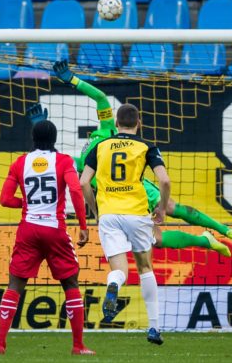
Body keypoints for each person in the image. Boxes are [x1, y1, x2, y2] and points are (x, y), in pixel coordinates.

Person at [50, 59, 232, 254]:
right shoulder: (81, 158)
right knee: (157, 240)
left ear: (117, 124)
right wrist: (41, 128)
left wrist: (73, 80)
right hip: (115, 198)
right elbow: (56, 157)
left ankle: (226, 230)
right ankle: (205, 240)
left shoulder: (108, 130)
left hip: (136, 188)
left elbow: (101, 98)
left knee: (172, 207)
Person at [0, 119, 95, 356]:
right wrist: (83, 225)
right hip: (55, 229)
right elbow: (77, 190)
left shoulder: (19, 163)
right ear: (55, 139)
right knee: (70, 283)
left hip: (28, 229)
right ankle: (78, 346)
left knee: (15, 284)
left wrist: (26, 203)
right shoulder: (64, 161)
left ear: (33, 139)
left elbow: (5, 199)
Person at [80, 103, 167, 345]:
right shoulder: (146, 146)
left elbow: (83, 182)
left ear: (116, 124)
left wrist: (96, 211)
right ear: (138, 124)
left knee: (120, 271)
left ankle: (113, 284)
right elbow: (165, 180)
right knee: (145, 268)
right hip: (137, 213)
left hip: (109, 214)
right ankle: (154, 328)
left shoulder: (100, 146)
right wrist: (161, 209)